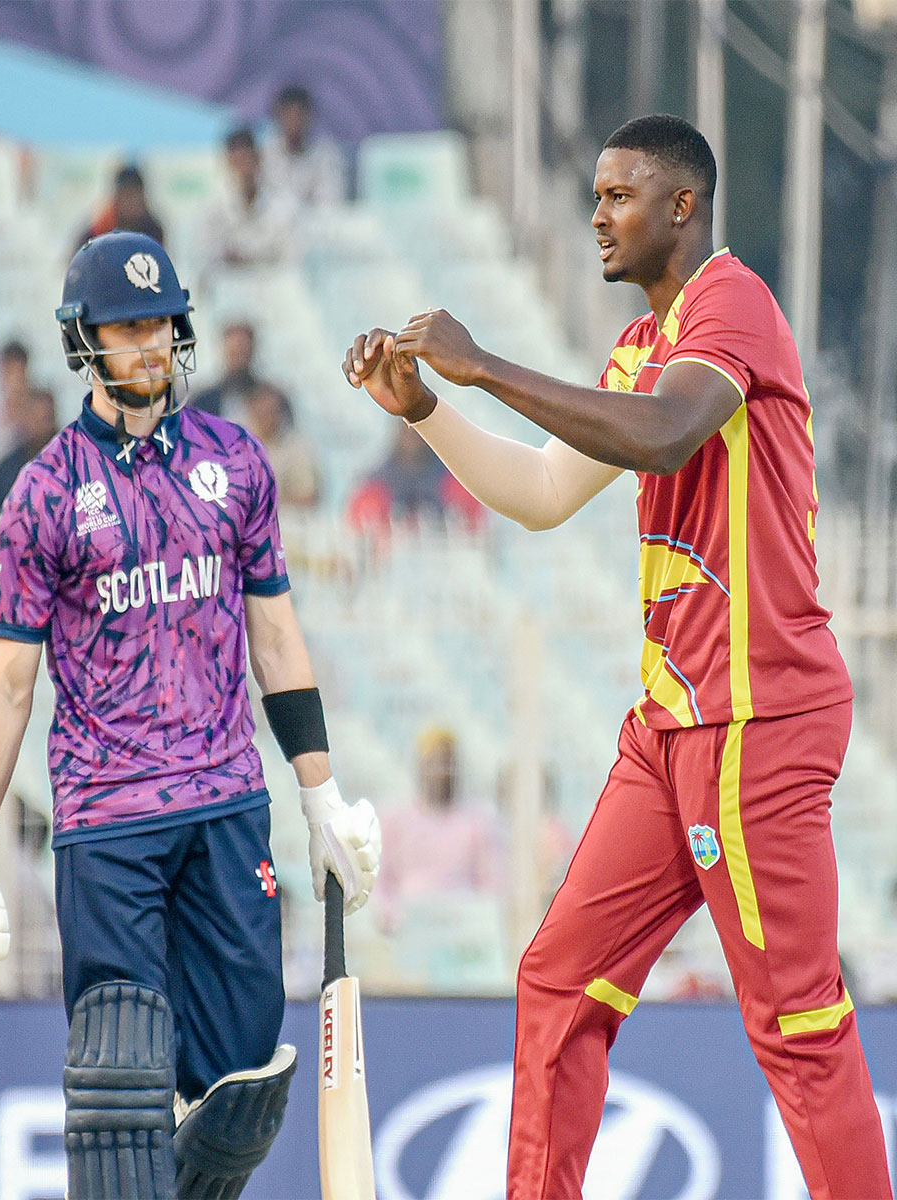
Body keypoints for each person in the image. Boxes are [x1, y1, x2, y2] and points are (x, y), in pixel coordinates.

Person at [347, 113, 889, 1199]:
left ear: (681, 207)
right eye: (594, 194)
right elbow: (546, 494)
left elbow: (660, 437)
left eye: (618, 195)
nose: (595, 215)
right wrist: (428, 412)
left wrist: (484, 362)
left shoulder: (730, 303)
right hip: (670, 730)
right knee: (558, 981)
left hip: (754, 721)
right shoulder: (643, 344)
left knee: (796, 1026)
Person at [0, 231, 381, 1197]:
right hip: (107, 818)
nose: (148, 346)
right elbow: (8, 685)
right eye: (125, 328)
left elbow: (279, 641)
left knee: (248, 1073)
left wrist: (322, 796)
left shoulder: (236, 461)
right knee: (123, 1080)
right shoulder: (44, 491)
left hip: (226, 804)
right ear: (83, 341)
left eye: (161, 325)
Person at [370, 727, 505, 932]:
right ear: (420, 767)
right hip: (409, 929)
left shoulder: (477, 821)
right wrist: (393, 918)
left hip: (462, 929)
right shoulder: (396, 821)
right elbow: (380, 884)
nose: (442, 771)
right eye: (434, 762)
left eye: (448, 763)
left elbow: (492, 886)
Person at [345, 420, 483, 534]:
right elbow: (358, 531)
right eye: (406, 426)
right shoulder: (373, 489)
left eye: (418, 428)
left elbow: (477, 532)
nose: (412, 434)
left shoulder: (458, 483)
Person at [198, 128, 295, 277]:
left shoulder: (281, 205)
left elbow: (289, 258)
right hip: (227, 288)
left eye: (247, 160)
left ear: (258, 160)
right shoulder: (212, 208)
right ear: (228, 162)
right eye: (238, 162)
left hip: (272, 286)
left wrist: (250, 258)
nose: (243, 170)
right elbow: (207, 258)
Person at [262, 84, 345, 210]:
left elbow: (331, 201)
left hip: (315, 225)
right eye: (289, 115)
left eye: (299, 115)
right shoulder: (265, 154)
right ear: (278, 116)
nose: (294, 122)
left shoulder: (326, 154)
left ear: (309, 116)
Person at [241, 381, 320, 510]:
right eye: (261, 414)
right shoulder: (236, 443)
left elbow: (310, 497)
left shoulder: (296, 446)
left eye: (271, 412)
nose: (266, 419)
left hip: (286, 522)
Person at [0, 385, 57, 509]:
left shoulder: (72, 460)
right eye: (35, 418)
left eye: (45, 419)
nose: (40, 427)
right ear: (25, 418)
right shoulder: (7, 467)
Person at [78, 162, 166, 249]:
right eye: (126, 195)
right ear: (116, 197)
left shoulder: (153, 230)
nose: (130, 202)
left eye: (134, 195)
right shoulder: (99, 229)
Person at [191, 321, 263, 421]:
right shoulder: (204, 402)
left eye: (242, 352)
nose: (238, 359)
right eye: (234, 353)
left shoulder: (272, 401)